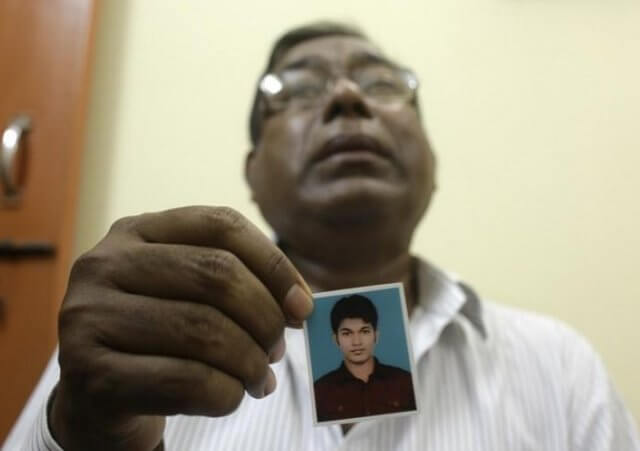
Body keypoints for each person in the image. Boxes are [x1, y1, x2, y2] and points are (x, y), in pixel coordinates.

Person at [7, 21, 640, 451]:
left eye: (383, 83)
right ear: (252, 171)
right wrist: (87, 432)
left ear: (431, 160)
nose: (345, 96)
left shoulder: (559, 368)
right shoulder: (131, 347)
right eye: (299, 88)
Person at [313, 295, 417, 422]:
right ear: (336, 339)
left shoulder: (405, 382)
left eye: (364, 331)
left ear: (376, 336)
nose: (357, 342)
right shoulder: (320, 391)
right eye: (347, 333)